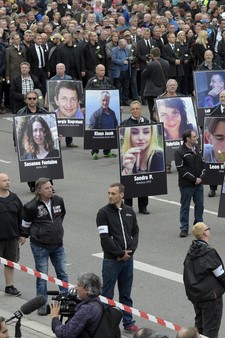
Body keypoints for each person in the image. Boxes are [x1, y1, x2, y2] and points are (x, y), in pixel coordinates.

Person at [96, 182, 140, 333]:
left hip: (128, 260)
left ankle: (128, 322)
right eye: (108, 193)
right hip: (112, 261)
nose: (110, 196)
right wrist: (120, 253)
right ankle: (105, 325)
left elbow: (135, 232)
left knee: (126, 294)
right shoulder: (103, 213)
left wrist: (130, 252)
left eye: (113, 194)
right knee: (107, 295)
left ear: (121, 195)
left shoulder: (129, 211)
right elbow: (105, 238)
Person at [22, 177, 69, 315]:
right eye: (47, 188)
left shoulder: (58, 200)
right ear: (39, 191)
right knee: (42, 276)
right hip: (40, 246)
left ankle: (66, 301)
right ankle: (41, 305)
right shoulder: (31, 206)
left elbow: (62, 216)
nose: (50, 190)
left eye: (50, 187)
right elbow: (25, 225)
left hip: (58, 244)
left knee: (63, 273)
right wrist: (24, 236)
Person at [183, 222, 225, 338]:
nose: (209, 230)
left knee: (199, 326)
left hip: (197, 296)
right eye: (208, 228)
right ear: (205, 233)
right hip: (210, 297)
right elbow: (219, 272)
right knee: (211, 330)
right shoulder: (208, 252)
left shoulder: (191, 251)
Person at [120, 101, 153, 214]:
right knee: (128, 183)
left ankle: (143, 206)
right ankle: (128, 207)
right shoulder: (125, 123)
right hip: (129, 156)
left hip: (144, 157)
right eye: (133, 109)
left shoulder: (147, 121)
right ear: (130, 111)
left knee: (143, 181)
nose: (135, 111)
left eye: (137, 108)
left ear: (141, 109)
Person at [50, 272, 104, 337]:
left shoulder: (87, 309)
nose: (76, 288)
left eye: (79, 285)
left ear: (87, 290)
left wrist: (55, 317)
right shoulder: (96, 302)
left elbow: (66, 334)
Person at [175, 129, 205, 238]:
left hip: (199, 184)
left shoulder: (197, 149)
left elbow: (203, 164)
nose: (197, 138)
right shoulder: (179, 152)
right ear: (187, 139)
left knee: (200, 206)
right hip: (186, 185)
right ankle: (184, 228)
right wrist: (194, 179)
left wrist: (201, 177)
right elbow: (181, 169)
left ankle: (199, 226)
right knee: (185, 206)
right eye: (194, 136)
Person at [0, 173, 25, 297]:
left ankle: (9, 286)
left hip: (12, 237)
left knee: (10, 263)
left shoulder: (14, 198)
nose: (7, 182)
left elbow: (21, 217)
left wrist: (22, 234)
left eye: (8, 180)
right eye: (4, 180)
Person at [88, 91, 119, 160]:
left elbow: (116, 124)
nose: (105, 102)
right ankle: (94, 152)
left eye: (107, 100)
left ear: (109, 100)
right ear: (100, 101)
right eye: (103, 100)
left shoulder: (112, 113)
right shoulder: (95, 114)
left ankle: (107, 152)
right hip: (99, 136)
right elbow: (91, 129)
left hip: (109, 135)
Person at [142, 48, 171, 119]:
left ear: (151, 55)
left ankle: (154, 123)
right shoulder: (166, 63)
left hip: (152, 90)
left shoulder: (151, 64)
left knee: (152, 111)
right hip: (163, 90)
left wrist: (148, 64)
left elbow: (143, 75)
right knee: (162, 110)